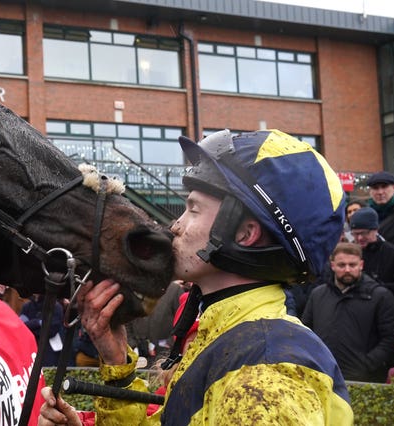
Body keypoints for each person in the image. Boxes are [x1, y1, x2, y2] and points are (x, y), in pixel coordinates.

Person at [39, 129, 353, 425]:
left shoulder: (264, 376)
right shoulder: (234, 338)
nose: (175, 226)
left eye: (193, 209)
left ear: (244, 233)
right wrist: (116, 361)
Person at [302, 242, 394, 383]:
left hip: (366, 381)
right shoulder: (318, 295)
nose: (347, 269)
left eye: (352, 265)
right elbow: (306, 332)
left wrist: (366, 364)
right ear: (332, 265)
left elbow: (391, 340)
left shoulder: (380, 296)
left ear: (361, 265)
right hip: (322, 376)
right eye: (342, 265)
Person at [349, 206, 394, 309]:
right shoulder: (348, 252)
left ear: (375, 230)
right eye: (355, 234)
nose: (359, 238)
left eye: (363, 233)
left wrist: (376, 287)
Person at [20, 294, 64, 367]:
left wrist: (31, 327)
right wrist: (38, 322)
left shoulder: (55, 307)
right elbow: (22, 327)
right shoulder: (26, 307)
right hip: (30, 348)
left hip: (49, 350)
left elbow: (51, 330)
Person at [366, 171, 394, 247]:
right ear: (370, 191)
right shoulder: (366, 214)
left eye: (384, 187)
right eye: (375, 188)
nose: (380, 192)